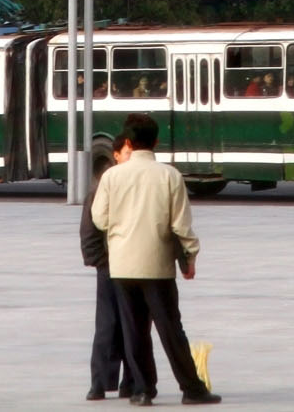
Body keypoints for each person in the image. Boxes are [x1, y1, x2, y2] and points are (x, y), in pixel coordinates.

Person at [91, 114, 222, 406]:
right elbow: (181, 225)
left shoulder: (112, 176)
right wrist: (190, 257)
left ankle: (142, 390)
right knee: (170, 329)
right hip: (157, 265)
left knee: (134, 331)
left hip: (122, 265)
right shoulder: (169, 176)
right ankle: (191, 388)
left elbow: (99, 218)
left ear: (128, 142)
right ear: (156, 141)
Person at [82, 134, 139, 401]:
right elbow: (89, 229)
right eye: (128, 153)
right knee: (107, 324)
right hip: (110, 266)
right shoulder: (103, 185)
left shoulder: (137, 183)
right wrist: (100, 262)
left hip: (134, 264)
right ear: (115, 155)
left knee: (132, 325)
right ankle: (100, 382)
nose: (131, 158)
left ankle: (129, 381)